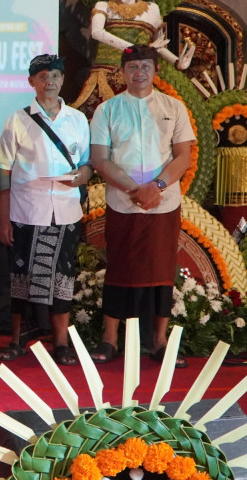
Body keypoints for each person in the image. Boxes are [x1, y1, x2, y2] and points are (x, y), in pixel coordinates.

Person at [89, 44, 195, 367]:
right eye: (133, 67)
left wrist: (157, 187)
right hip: (124, 202)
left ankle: (159, 341)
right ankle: (110, 339)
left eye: (145, 66)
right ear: (122, 72)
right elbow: (100, 159)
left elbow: (183, 156)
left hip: (163, 203)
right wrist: (135, 189)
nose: (139, 72)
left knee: (162, 270)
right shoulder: (107, 110)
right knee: (119, 268)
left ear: (156, 70)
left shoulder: (174, 107)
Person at [0, 55, 92, 366]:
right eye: (43, 76)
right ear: (32, 82)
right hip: (26, 211)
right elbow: (3, 170)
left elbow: (87, 164)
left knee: (63, 278)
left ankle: (60, 343)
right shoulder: (17, 120)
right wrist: (2, 219)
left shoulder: (77, 119)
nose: (50, 81)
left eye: (55, 75)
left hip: (65, 211)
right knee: (21, 278)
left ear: (63, 80)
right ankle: (17, 339)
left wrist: (82, 176)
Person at [73, 0, 194, 112]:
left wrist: (177, 62)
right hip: (105, 76)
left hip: (139, 77)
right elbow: (97, 33)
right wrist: (137, 50)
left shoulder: (152, 10)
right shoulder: (104, 6)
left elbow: (158, 45)